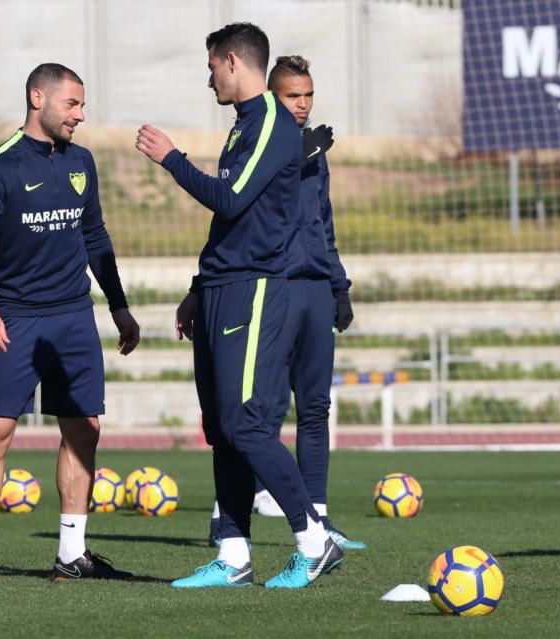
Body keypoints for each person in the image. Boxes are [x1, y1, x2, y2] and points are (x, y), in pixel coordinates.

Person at [136, 23, 340, 589]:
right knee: (221, 429)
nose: (209, 81)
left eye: (211, 69)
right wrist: (199, 288)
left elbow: (228, 199)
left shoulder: (272, 121)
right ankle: (233, 555)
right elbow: (231, 223)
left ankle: (313, 539)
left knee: (248, 425)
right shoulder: (244, 124)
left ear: (231, 61)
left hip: (254, 289)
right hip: (223, 286)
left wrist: (171, 158)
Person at [0, 63, 140, 582]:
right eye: (72, 104)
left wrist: (118, 305)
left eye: (82, 105)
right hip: (15, 319)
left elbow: (96, 237)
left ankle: (72, 555)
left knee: (83, 430)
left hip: (73, 317)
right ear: (37, 97)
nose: (81, 115)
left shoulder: (81, 162)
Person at [201, 55, 366, 551]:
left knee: (315, 407)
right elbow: (236, 210)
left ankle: (318, 514)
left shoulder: (315, 150)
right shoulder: (272, 140)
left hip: (314, 286)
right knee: (260, 408)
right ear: (273, 95)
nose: (303, 104)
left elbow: (323, 221)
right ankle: (228, 514)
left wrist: (339, 285)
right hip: (272, 286)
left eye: (308, 95)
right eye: (293, 95)